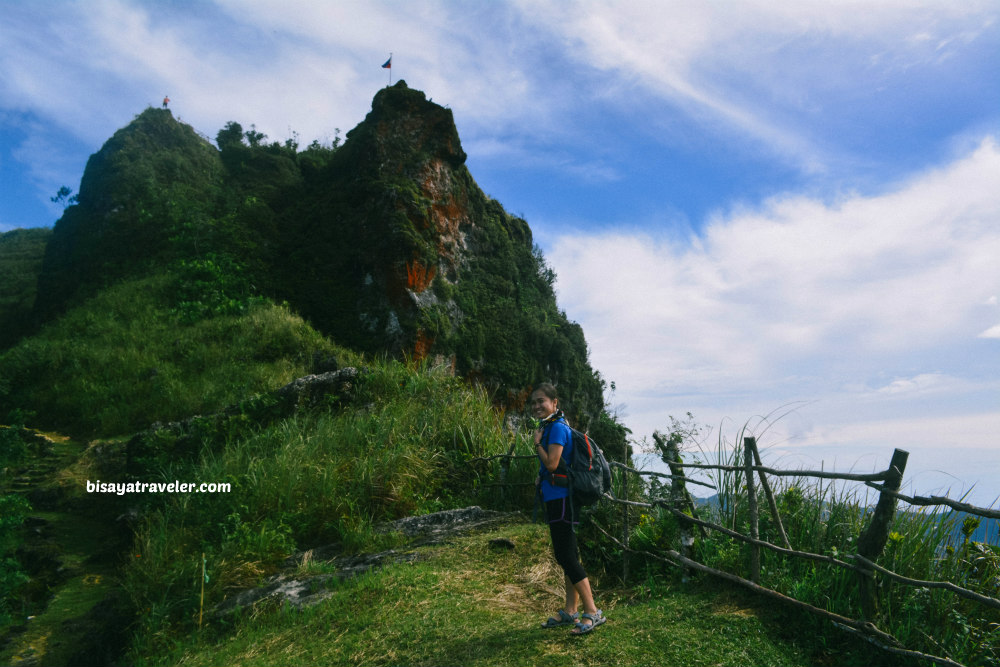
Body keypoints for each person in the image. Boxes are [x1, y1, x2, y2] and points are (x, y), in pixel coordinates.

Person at [532, 383, 606, 635]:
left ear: (554, 402)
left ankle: (592, 611)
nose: (537, 406)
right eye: (534, 402)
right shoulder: (553, 426)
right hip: (558, 498)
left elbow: (552, 464)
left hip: (562, 500)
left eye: (541, 400)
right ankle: (570, 610)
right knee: (568, 553)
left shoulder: (556, 429)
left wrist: (537, 445)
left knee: (566, 556)